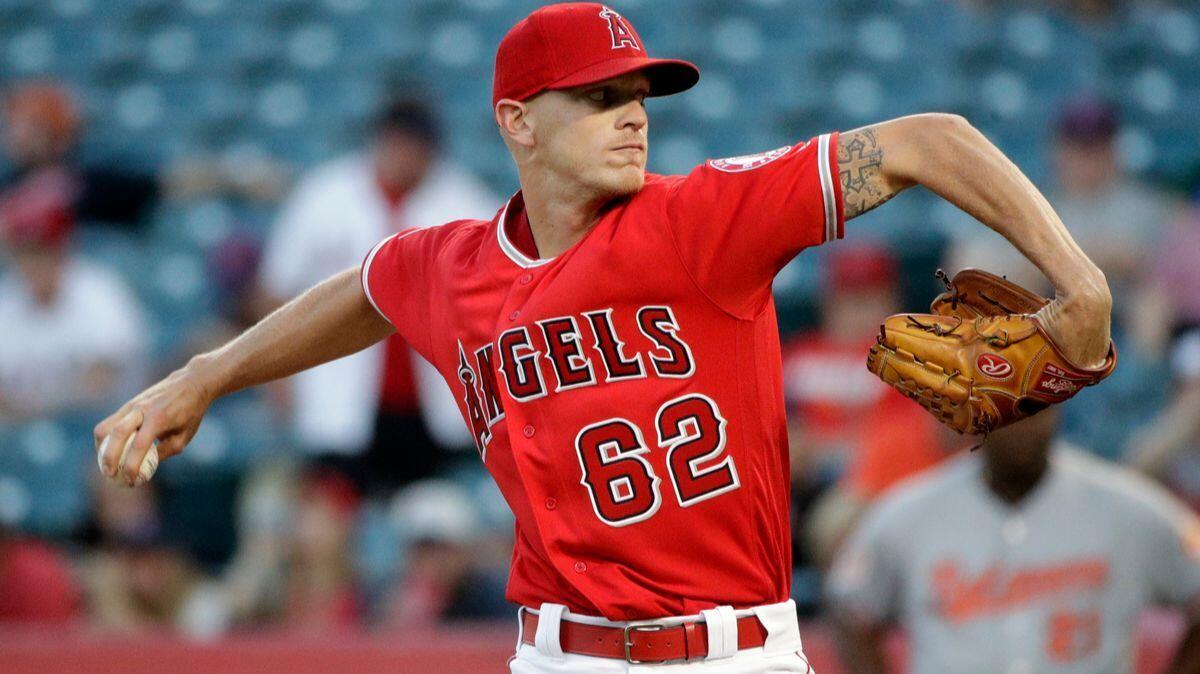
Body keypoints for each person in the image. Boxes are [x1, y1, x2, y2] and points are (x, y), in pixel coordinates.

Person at [93, 4, 1113, 671]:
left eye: (638, 95)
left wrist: (1079, 280)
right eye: (598, 97)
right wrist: (206, 373)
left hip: (733, 651)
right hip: (559, 652)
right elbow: (366, 291)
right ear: (517, 123)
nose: (634, 116)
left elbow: (930, 139)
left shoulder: (703, 220)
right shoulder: (448, 263)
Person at [825, 409, 1200, 674]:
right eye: (1006, 408)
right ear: (979, 416)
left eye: (1033, 408)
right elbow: (849, 607)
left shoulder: (1126, 508)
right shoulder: (909, 511)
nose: (1021, 425)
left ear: (1057, 407)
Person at [255, 96, 502, 493]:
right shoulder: (325, 195)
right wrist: (277, 376)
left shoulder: (463, 200)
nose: (405, 155)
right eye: (398, 142)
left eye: (416, 145)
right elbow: (274, 289)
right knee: (337, 511)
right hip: (339, 392)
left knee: (430, 514)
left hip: (437, 405)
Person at [0, 198, 147, 420]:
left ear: (64, 249)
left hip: (102, 427)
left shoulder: (99, 291)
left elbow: (100, 384)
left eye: (44, 250)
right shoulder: (6, 301)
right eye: (27, 251)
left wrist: (31, 408)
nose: (35, 262)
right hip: (23, 434)